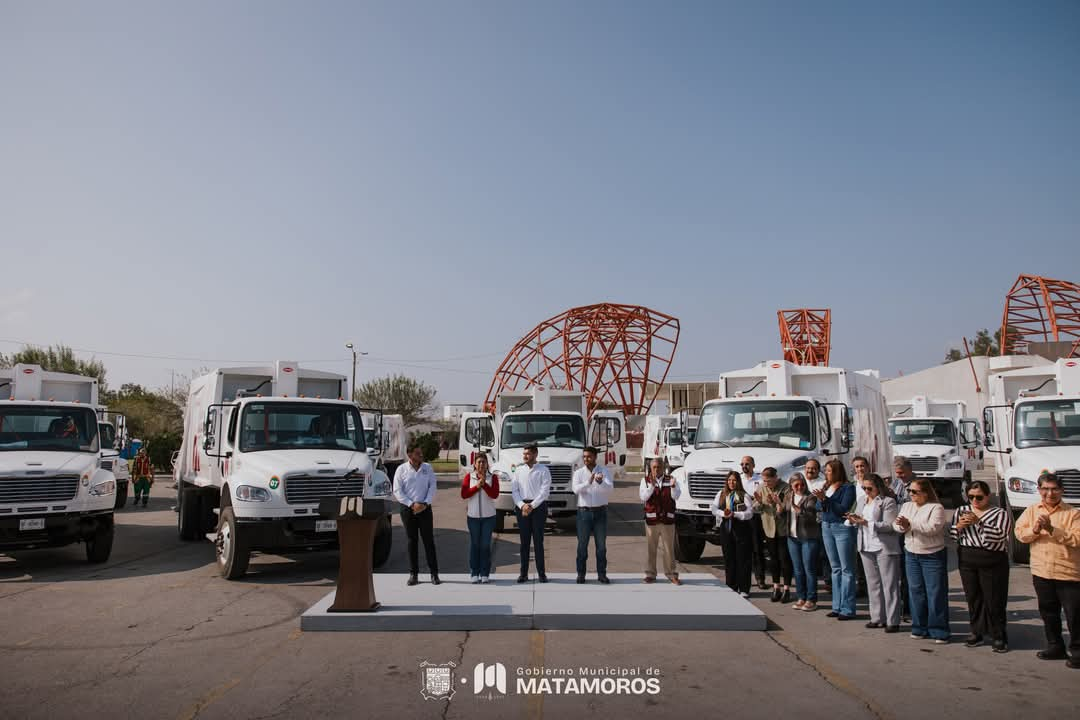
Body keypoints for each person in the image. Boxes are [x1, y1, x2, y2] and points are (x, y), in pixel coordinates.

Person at [1014, 472, 1080, 667]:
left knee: (1074, 615)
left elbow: (1077, 539)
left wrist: (1052, 529)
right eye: (1045, 489)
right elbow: (1020, 535)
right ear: (1039, 490)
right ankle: (1055, 646)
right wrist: (1034, 530)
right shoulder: (1032, 510)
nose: (1049, 493)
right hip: (1042, 572)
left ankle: (1077, 651)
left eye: (1054, 489)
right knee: (1049, 613)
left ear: (1062, 491)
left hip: (1068, 573)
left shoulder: (1073, 513)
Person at [951, 480, 1012, 652]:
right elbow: (952, 535)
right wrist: (959, 527)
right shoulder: (961, 511)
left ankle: (999, 635)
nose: (975, 501)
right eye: (971, 497)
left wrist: (979, 522)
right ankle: (976, 631)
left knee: (994, 599)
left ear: (988, 496)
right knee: (973, 598)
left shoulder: (999, 513)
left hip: (991, 557)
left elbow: (1000, 536)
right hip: (967, 557)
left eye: (979, 497)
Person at [894, 479, 950, 643]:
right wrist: (902, 526)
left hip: (932, 555)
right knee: (915, 592)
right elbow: (896, 524)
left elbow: (933, 528)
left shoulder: (936, 508)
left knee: (935, 593)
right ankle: (919, 627)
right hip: (911, 553)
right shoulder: (907, 506)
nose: (911, 494)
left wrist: (909, 524)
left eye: (914, 492)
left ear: (925, 493)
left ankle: (939, 630)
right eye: (909, 491)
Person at [849, 473, 902, 631]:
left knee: (889, 585)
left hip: (884, 546)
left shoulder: (888, 502)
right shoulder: (862, 500)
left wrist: (866, 522)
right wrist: (852, 519)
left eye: (869, 488)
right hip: (866, 545)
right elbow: (857, 518)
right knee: (873, 584)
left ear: (878, 487)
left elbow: (889, 525)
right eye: (864, 488)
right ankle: (877, 617)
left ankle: (893, 620)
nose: (866, 491)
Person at [814, 459, 858, 620]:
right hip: (827, 526)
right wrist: (822, 499)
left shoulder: (847, 488)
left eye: (829, 471)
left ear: (837, 472)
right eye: (825, 471)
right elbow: (818, 508)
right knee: (835, 568)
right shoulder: (827, 486)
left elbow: (842, 509)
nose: (826, 473)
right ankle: (837, 606)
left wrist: (826, 500)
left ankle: (847, 608)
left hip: (841, 527)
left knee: (847, 569)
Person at [394, 442, 440, 586]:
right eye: (417, 453)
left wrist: (424, 503)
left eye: (421, 453)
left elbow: (432, 486)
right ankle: (413, 574)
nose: (421, 455)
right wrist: (412, 504)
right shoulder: (401, 469)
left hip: (425, 508)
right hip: (408, 509)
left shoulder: (428, 468)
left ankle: (434, 574)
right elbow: (397, 490)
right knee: (411, 541)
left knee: (428, 541)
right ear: (409, 454)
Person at [572, 446, 613, 584]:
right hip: (584, 513)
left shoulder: (604, 471)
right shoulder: (578, 473)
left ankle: (602, 574)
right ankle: (581, 574)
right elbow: (575, 490)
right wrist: (588, 482)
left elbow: (609, 489)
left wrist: (600, 483)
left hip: (600, 512)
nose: (586, 459)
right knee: (582, 546)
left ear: (595, 457)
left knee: (601, 546)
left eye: (588, 457)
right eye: (584, 457)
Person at [511, 444, 551, 583]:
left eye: (527, 453)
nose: (525, 456)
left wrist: (532, 506)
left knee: (538, 542)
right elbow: (514, 491)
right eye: (524, 454)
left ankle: (541, 574)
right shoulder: (518, 470)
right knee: (524, 542)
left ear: (535, 454)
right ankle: (523, 573)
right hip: (522, 507)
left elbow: (544, 491)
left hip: (538, 508)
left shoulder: (543, 470)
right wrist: (522, 505)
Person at [752, 467, 792, 603]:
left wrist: (776, 503)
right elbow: (756, 507)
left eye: (769, 481)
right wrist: (760, 502)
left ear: (776, 478)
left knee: (784, 560)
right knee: (773, 560)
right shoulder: (762, 488)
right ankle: (776, 587)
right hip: (769, 528)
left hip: (782, 529)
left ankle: (787, 588)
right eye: (764, 481)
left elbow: (787, 508)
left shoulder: (786, 488)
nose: (766, 484)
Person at [640, 457, 682, 585]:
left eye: (659, 467)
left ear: (663, 468)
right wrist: (651, 487)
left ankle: (671, 574)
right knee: (650, 548)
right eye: (654, 467)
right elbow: (643, 497)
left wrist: (673, 487)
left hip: (667, 520)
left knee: (669, 549)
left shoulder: (671, 480)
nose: (656, 469)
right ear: (650, 468)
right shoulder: (645, 481)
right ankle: (650, 574)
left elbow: (676, 496)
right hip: (652, 520)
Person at [711, 470, 753, 597]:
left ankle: (744, 588)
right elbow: (714, 508)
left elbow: (750, 513)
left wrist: (735, 514)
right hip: (726, 529)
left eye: (734, 480)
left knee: (743, 559)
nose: (731, 483)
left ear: (738, 481)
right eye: (729, 480)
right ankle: (731, 586)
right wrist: (724, 513)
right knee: (729, 559)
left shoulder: (744, 495)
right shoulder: (722, 493)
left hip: (741, 529)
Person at [460, 452, 499, 584]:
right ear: (474, 464)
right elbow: (464, 494)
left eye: (484, 462)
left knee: (485, 545)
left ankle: (485, 573)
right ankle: (474, 572)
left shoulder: (492, 477)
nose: (481, 464)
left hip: (489, 517)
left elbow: (494, 494)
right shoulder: (468, 477)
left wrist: (485, 484)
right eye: (479, 462)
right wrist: (477, 486)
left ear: (487, 464)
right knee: (475, 545)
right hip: (473, 517)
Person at [784, 472, 821, 611]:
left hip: (808, 537)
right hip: (792, 537)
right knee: (798, 570)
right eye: (796, 485)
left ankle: (811, 599)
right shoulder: (789, 496)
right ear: (791, 486)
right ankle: (801, 597)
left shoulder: (810, 497)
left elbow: (811, 513)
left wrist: (801, 511)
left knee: (809, 569)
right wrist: (777, 505)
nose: (799, 487)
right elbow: (783, 510)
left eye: (802, 484)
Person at [740, 456, 767, 589]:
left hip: (755, 517)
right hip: (741, 518)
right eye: (742, 464)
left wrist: (753, 500)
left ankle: (760, 578)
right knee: (743, 550)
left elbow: (762, 498)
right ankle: (743, 579)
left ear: (753, 465)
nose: (744, 466)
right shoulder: (738, 479)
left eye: (747, 464)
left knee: (757, 549)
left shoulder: (760, 480)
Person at [805, 458, 830, 589]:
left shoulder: (823, 483)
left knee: (824, 552)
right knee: (809, 553)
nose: (810, 470)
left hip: (819, 521)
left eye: (813, 468)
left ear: (818, 470)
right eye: (808, 468)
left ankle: (828, 580)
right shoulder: (800, 481)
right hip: (803, 524)